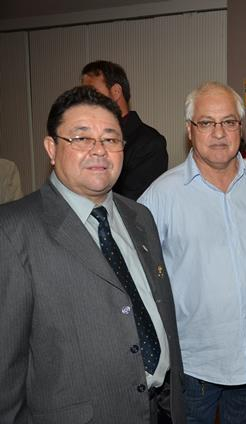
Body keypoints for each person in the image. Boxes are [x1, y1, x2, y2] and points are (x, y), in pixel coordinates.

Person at [0, 86, 185, 423]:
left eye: (111, 139)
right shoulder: (12, 232)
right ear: (51, 148)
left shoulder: (140, 217)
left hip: (163, 408)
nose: (99, 150)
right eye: (82, 138)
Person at [139, 81, 246, 424]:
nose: (219, 133)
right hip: (193, 370)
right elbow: (141, 278)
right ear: (190, 130)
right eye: (206, 122)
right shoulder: (161, 195)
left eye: (229, 122)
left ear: (240, 128)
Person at [82, 60, 168, 199]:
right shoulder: (84, 139)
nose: (84, 101)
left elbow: (135, 205)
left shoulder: (149, 143)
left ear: (116, 92)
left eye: (92, 93)